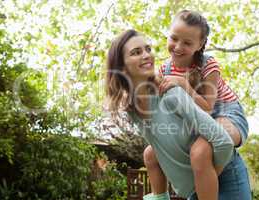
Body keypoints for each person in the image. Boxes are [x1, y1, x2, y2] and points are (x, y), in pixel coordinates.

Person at [105, 29, 250, 200]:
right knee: (150, 152)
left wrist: (204, 177)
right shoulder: (132, 108)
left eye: (148, 49)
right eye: (136, 52)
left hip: (226, 178)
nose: (146, 55)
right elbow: (160, 149)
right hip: (198, 186)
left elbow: (223, 142)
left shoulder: (170, 94)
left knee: (200, 150)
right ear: (121, 66)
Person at [144, 10, 251, 200]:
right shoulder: (165, 69)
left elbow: (208, 107)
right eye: (174, 38)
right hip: (193, 120)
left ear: (200, 44)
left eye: (187, 43)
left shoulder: (208, 65)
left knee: (200, 150)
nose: (178, 47)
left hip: (225, 113)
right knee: (150, 152)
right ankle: (160, 196)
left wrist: (183, 84)